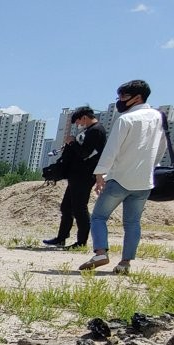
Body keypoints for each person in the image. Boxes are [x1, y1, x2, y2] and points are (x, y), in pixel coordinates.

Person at [79, 80, 167, 274]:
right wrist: (151, 166)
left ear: (138, 97)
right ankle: (125, 263)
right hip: (144, 181)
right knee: (133, 222)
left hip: (120, 177)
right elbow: (161, 147)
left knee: (99, 216)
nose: (120, 101)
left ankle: (101, 252)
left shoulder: (126, 119)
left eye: (123, 97)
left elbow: (112, 149)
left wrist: (100, 173)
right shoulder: (159, 117)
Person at [43, 106, 107, 250]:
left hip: (84, 175)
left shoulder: (96, 131)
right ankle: (61, 238)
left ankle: (81, 242)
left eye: (78, 122)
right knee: (66, 207)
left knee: (79, 208)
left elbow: (85, 153)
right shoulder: (90, 130)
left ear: (84, 117)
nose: (78, 125)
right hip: (76, 175)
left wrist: (72, 142)